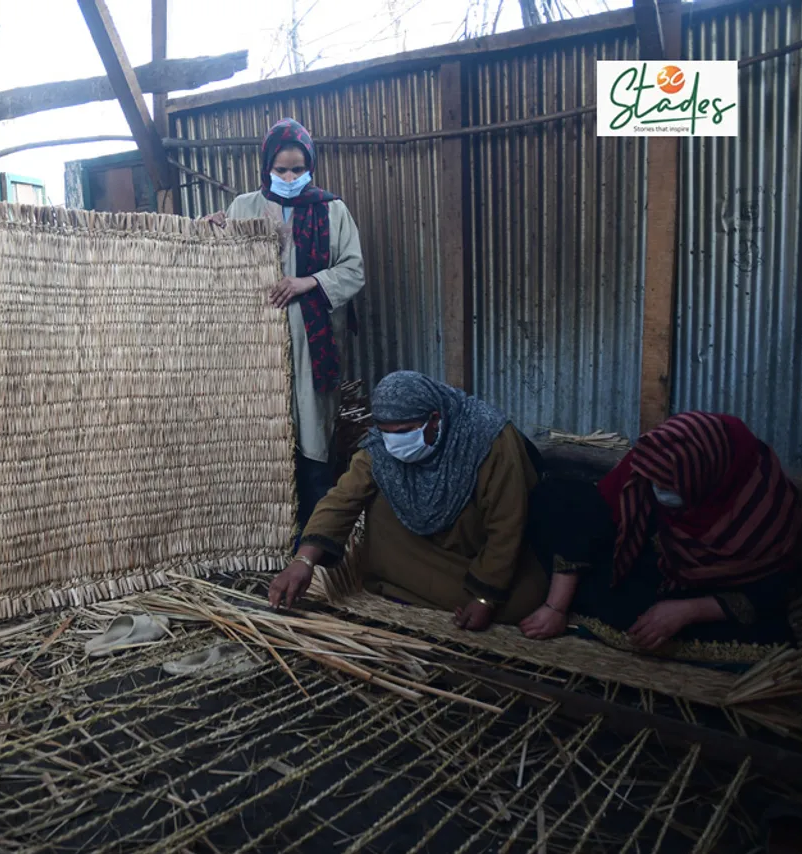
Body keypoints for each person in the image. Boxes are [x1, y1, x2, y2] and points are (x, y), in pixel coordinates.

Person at [268, 371, 548, 632]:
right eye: (385, 431)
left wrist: (486, 598)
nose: (394, 442)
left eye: (404, 431)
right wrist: (303, 560)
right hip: (416, 545)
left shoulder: (490, 439)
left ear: (435, 420)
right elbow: (343, 497)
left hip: (474, 547)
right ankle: (409, 583)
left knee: (522, 599)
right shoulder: (381, 445)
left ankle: (404, 586)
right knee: (377, 504)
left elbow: (507, 524)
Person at [521, 411, 802, 654]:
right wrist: (556, 607)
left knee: (765, 628)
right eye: (655, 482)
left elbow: (775, 588)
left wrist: (686, 611)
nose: (659, 492)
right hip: (651, 562)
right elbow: (594, 515)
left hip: (710, 590)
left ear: (705, 478)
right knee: (553, 500)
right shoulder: (652, 461)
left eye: (670, 487)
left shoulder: (761, 506)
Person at [205, 119, 365, 544]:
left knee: (313, 433)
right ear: (267, 167)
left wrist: (307, 282)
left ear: (311, 165)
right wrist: (207, 233)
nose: (291, 178)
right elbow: (221, 265)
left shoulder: (332, 209)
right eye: (282, 169)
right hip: (255, 345)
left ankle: (313, 540)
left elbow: (353, 270)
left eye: (298, 168)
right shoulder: (244, 207)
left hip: (314, 345)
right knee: (263, 429)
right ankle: (264, 536)